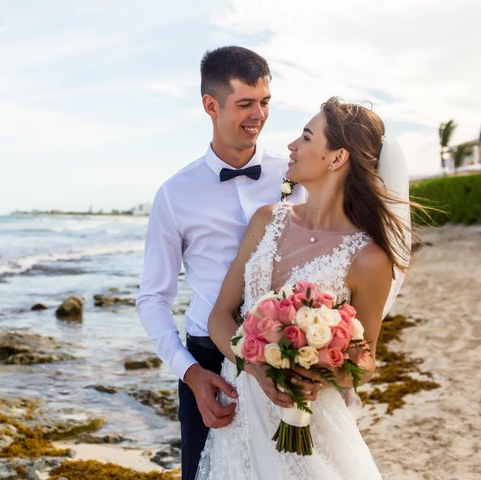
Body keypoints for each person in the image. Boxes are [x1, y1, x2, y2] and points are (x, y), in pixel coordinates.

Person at [196, 97, 412, 479]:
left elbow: (365, 361)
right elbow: (219, 316)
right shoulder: (267, 220)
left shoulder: (368, 258)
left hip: (310, 421)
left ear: (337, 157)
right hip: (242, 410)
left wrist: (320, 371)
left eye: (306, 137)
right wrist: (257, 368)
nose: (292, 146)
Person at [136, 46, 310, 480]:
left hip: (289, 348)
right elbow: (153, 297)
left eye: (265, 102)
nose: (259, 115)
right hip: (208, 357)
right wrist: (190, 374)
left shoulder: (295, 174)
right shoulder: (174, 194)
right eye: (245, 104)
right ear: (210, 106)